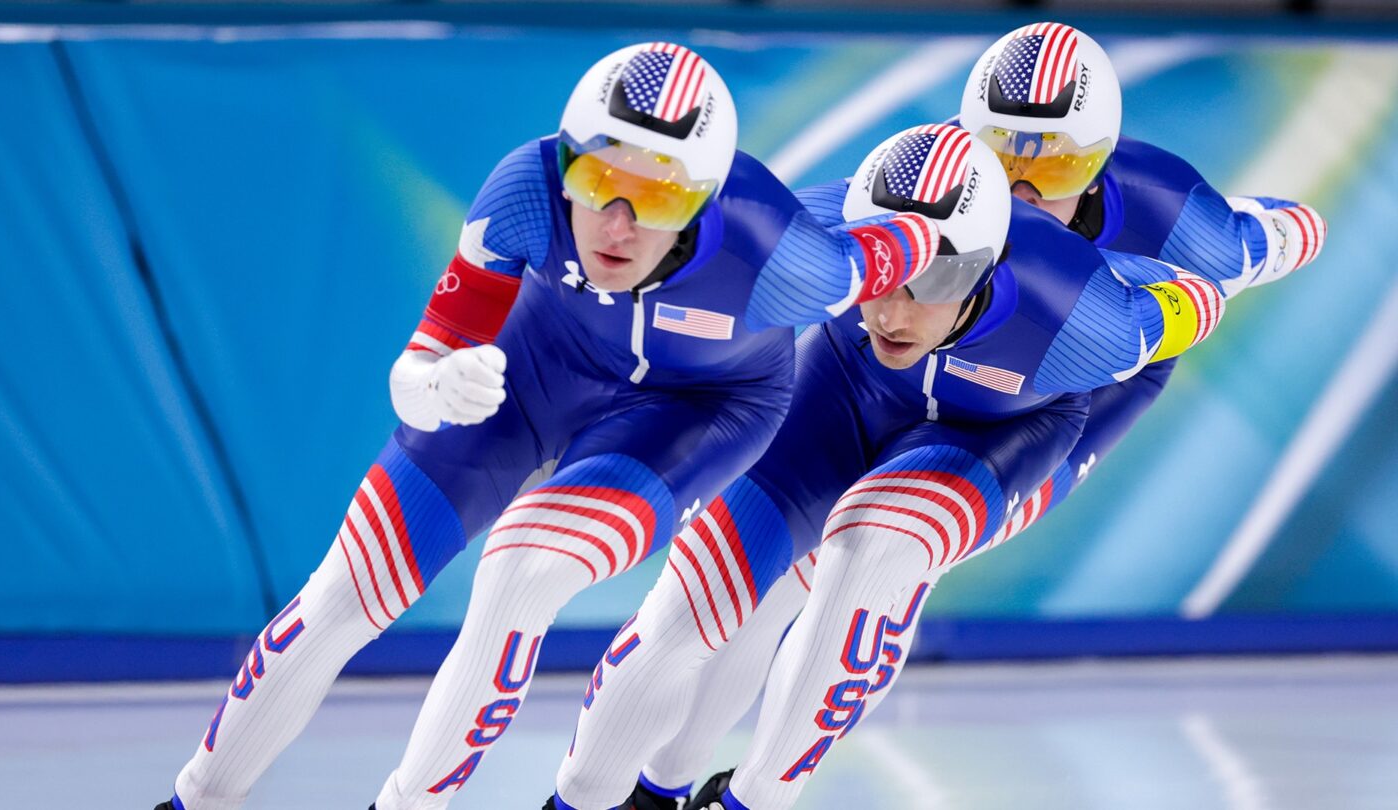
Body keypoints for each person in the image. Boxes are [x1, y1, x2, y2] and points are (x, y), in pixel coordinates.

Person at [155, 41, 950, 810]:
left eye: (660, 198)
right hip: (531, 372)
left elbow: (913, 238)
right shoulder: (526, 190)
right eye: (597, 178)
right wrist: (433, 385)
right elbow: (416, 369)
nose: (617, 224)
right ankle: (197, 800)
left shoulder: (783, 258)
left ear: (705, 202)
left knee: (523, 570)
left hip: (697, 409)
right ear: (566, 160)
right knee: (342, 595)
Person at [555, 24, 1328, 810]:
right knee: (730, 590)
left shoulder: (1158, 241)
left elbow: (1254, 252)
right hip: (858, 382)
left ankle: (754, 798)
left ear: (1099, 162)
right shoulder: (917, 183)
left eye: (1055, 167)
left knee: (872, 555)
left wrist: (1226, 259)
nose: (1020, 193)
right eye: (998, 158)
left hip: (1019, 412)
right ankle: (654, 789)